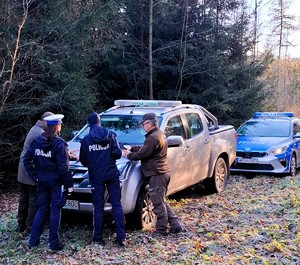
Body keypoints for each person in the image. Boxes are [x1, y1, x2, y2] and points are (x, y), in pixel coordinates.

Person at [122, 112, 182, 236]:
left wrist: (129, 155)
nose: (143, 127)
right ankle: (175, 224)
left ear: (149, 123)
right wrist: (132, 148)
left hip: (157, 174)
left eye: (143, 124)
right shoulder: (158, 135)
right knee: (161, 201)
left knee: (158, 203)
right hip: (162, 172)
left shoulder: (153, 137)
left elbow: (143, 154)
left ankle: (161, 230)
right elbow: (145, 148)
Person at [24, 114, 73, 251]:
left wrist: (35, 176)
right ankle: (54, 244)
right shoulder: (60, 144)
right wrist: (69, 186)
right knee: (55, 211)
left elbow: (26, 160)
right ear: (57, 126)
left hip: (42, 182)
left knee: (41, 211)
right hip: (56, 183)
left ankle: (33, 241)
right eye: (60, 125)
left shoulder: (37, 141)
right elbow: (64, 168)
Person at [79, 112, 126, 247]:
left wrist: (94, 161)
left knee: (98, 207)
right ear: (99, 122)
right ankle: (121, 237)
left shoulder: (86, 140)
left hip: (96, 176)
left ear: (89, 125)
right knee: (116, 205)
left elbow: (83, 160)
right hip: (112, 174)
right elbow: (117, 154)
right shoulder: (110, 135)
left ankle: (98, 238)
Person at [16, 111, 54, 235]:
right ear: (46, 122)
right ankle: (30, 228)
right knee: (33, 199)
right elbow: (49, 149)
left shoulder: (35, 128)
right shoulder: (40, 133)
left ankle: (21, 225)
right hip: (29, 170)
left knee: (24, 198)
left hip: (22, 170)